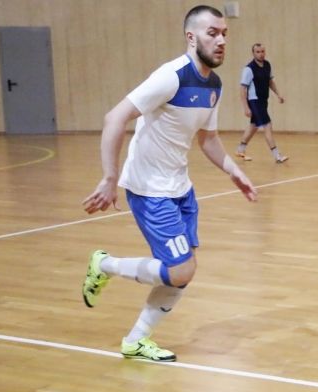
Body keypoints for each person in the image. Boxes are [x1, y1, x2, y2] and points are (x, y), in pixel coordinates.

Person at [80, 5, 257, 362]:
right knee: (180, 269)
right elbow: (115, 118)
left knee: (182, 273)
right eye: (212, 33)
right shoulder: (171, 76)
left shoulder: (213, 84)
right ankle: (105, 265)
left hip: (180, 187)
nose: (221, 40)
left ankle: (135, 341)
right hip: (149, 189)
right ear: (191, 37)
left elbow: (208, 138)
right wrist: (110, 177)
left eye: (224, 33)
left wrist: (232, 170)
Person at [234, 43, 289, 163]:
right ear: (253, 53)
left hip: (263, 100)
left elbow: (270, 82)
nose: (261, 54)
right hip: (255, 101)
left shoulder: (267, 65)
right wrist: (246, 107)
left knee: (254, 125)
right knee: (267, 125)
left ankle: (240, 149)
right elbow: (242, 89)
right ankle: (277, 155)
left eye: (262, 51)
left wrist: (278, 94)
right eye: (258, 52)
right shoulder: (249, 69)